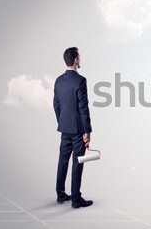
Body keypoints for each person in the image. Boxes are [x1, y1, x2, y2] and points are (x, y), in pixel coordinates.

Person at [53, 47, 93, 209]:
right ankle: (76, 199)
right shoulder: (80, 80)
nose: (80, 59)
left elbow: (56, 104)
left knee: (63, 160)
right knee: (78, 162)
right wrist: (87, 130)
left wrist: (62, 121)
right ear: (76, 60)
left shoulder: (58, 80)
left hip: (64, 127)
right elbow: (83, 107)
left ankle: (60, 194)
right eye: (79, 57)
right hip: (78, 129)